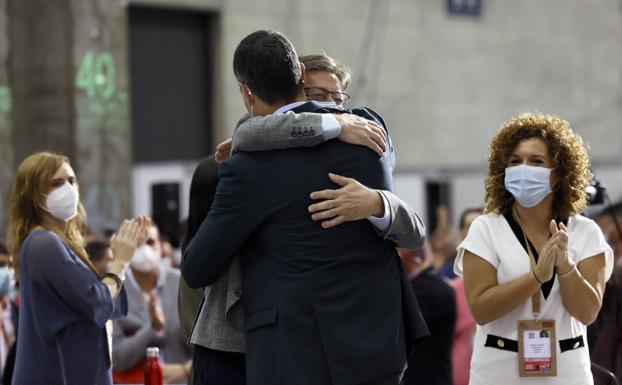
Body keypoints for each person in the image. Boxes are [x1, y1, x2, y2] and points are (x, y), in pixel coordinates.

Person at [182, 30, 428, 385]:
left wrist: (376, 203)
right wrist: (332, 122)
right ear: (298, 73)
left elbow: (197, 268)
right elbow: (253, 132)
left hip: (294, 355)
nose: (329, 105)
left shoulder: (251, 163)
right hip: (377, 348)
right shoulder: (367, 136)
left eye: (336, 98)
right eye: (318, 96)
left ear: (247, 93)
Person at [455, 113, 613, 384]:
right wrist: (536, 277)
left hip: (567, 369)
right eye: (515, 161)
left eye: (536, 161)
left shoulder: (585, 232)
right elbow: (481, 310)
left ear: (559, 173)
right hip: (499, 369)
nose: (523, 168)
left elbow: (588, 313)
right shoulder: (485, 229)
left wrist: (566, 267)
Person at [7, 151, 148, 385]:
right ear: (34, 194)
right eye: (56, 183)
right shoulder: (44, 243)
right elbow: (96, 302)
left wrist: (125, 251)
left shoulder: (59, 242)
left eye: (71, 181)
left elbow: (98, 301)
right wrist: (120, 261)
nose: (68, 189)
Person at [112, 223, 192, 384]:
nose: (144, 250)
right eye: (137, 244)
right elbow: (117, 358)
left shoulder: (182, 283)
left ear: (161, 246)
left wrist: (185, 369)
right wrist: (152, 329)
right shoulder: (115, 290)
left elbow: (206, 344)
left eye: (150, 242)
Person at [399, 242, 456, 385]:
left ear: (411, 258)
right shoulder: (417, 286)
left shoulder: (433, 290)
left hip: (428, 377)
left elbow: (403, 329)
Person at [449, 207, 482, 385]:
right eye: (469, 226)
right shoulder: (450, 288)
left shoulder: (510, 282)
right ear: (461, 233)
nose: (475, 232)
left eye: (480, 225)